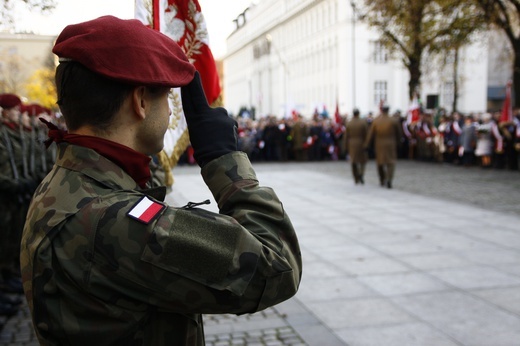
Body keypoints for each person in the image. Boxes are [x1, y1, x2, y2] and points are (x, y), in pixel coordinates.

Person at [20, 16, 302, 346]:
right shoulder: (112, 220)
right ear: (140, 102)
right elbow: (277, 265)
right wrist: (224, 161)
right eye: (167, 96)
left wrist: (139, 146)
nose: (170, 113)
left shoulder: (70, 184)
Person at [364, 104, 402, 188]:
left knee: (380, 163)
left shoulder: (376, 121)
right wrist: (399, 143)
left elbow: (371, 134)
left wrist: (367, 145)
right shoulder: (393, 120)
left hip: (379, 145)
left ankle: (382, 179)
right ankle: (389, 179)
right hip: (391, 144)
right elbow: (399, 134)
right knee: (391, 162)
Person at [344, 108, 368, 184]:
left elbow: (346, 136)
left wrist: (345, 147)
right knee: (362, 161)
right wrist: (366, 144)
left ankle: (356, 177)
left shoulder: (349, 123)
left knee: (353, 161)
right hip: (361, 143)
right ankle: (361, 173)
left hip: (352, 144)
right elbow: (366, 134)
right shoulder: (363, 122)